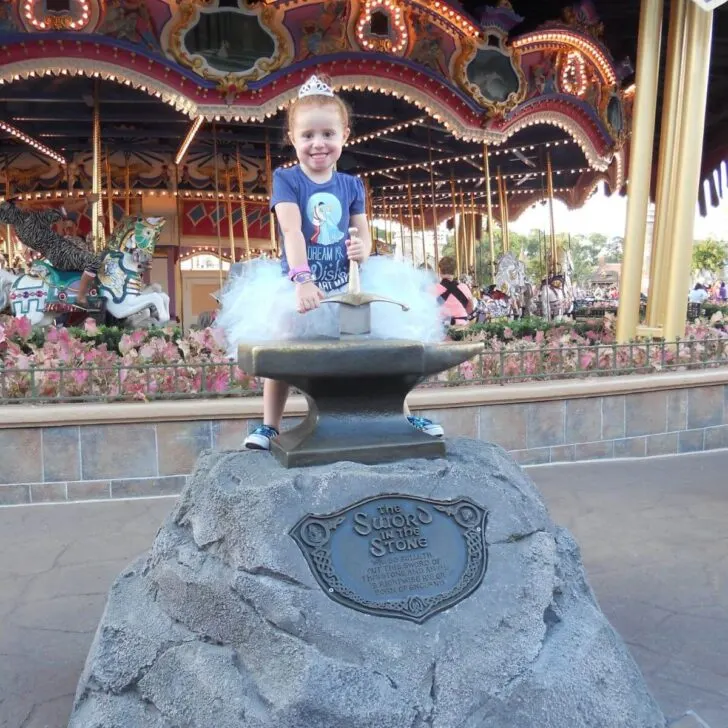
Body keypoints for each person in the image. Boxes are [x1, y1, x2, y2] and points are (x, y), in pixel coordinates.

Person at [217, 74, 443, 451]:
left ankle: (401, 415)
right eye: (307, 136)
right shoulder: (287, 179)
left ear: (344, 135)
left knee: (383, 346)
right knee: (283, 348)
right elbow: (292, 231)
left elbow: (363, 232)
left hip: (345, 283)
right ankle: (271, 424)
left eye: (327, 134)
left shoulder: (352, 185)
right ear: (293, 138)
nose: (317, 144)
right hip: (299, 281)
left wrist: (363, 250)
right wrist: (303, 279)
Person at [0, 198, 102, 308]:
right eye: (18, 205)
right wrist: (86, 201)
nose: (22, 206)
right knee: (94, 262)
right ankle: (80, 297)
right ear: (14, 211)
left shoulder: (19, 230)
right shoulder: (29, 220)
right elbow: (62, 210)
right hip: (61, 252)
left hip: (56, 254)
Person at [435, 256, 473, 326]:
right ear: (454, 271)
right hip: (462, 326)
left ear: (440, 271)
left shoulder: (434, 289)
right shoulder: (464, 287)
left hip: (442, 328)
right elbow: (470, 308)